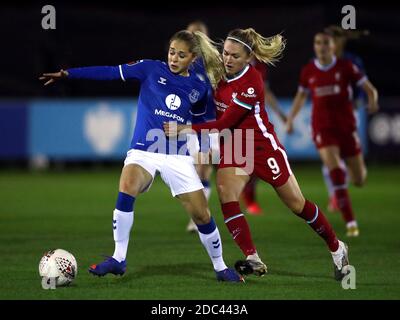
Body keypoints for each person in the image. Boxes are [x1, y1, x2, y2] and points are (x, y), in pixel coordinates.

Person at [39, 30, 243, 282]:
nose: (174, 58)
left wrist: (202, 147)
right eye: (171, 52)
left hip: (177, 155)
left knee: (202, 215)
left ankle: (221, 268)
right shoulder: (149, 69)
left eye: (181, 55)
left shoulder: (199, 86)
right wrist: (69, 74)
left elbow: (202, 121)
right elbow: (111, 72)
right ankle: (119, 258)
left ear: (193, 58)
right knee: (127, 184)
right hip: (144, 150)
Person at [164, 28, 351, 281]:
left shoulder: (251, 82)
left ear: (248, 58)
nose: (227, 60)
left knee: (297, 205)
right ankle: (252, 257)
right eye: (225, 53)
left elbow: (223, 125)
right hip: (238, 145)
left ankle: (337, 247)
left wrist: (185, 128)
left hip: (262, 146)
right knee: (226, 193)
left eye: (235, 56)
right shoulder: (218, 70)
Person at [286, 31, 379, 237]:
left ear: (333, 46)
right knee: (335, 171)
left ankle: (341, 172)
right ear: (314, 46)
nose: (321, 46)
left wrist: (372, 100)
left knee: (359, 179)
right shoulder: (308, 70)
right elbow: (301, 96)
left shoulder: (346, 67)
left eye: (325, 43)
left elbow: (369, 88)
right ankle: (350, 222)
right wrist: (290, 119)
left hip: (346, 128)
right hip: (323, 129)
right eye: (318, 42)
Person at [321, 25, 370, 213]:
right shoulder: (318, 61)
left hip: (348, 114)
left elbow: (362, 87)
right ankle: (335, 194)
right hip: (324, 116)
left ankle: (346, 181)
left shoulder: (351, 61)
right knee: (329, 158)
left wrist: (361, 103)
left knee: (356, 172)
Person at [184, 20, 220, 232]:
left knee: (203, 169)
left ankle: (199, 218)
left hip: (210, 125)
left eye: (199, 35)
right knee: (195, 174)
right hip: (188, 126)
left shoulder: (214, 63)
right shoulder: (183, 63)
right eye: (191, 34)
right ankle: (200, 215)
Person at [241, 58, 287, 215]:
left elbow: (265, 92)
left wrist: (281, 115)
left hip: (255, 122)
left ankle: (248, 199)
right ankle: (245, 201)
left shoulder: (260, 67)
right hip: (235, 122)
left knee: (254, 165)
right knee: (239, 167)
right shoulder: (230, 63)